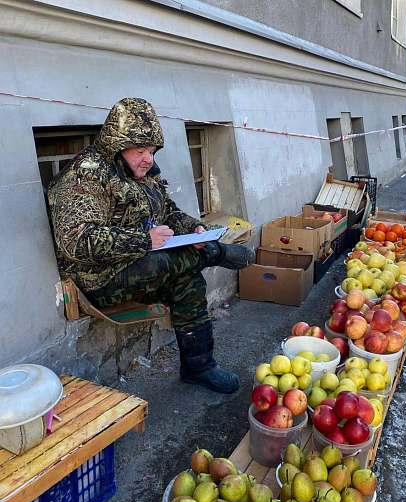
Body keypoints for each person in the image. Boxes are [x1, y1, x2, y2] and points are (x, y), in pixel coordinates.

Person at [47, 98, 255, 394]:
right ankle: (217, 254)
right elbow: (77, 241)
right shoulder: (85, 176)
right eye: (140, 151)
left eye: (152, 151)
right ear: (118, 147)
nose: (149, 159)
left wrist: (194, 229)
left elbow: (168, 210)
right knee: (169, 262)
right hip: (99, 279)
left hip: (139, 264)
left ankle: (200, 367)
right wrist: (145, 239)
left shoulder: (143, 173)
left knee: (188, 279)